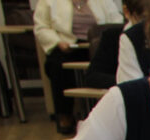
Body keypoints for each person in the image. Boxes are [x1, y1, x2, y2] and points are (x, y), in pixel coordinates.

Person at [33, 0, 124, 133]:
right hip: (67, 45)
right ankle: (65, 114)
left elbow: (116, 21)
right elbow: (42, 27)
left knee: (109, 63)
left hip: (96, 44)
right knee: (57, 64)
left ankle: (111, 114)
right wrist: (58, 42)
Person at [84, 0, 145, 89]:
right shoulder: (112, 37)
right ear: (127, 12)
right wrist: (125, 81)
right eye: (143, 18)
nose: (148, 25)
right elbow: (92, 77)